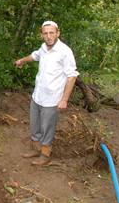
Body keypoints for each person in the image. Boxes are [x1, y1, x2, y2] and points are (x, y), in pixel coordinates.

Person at [14, 20, 79, 166]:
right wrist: (22, 61)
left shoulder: (65, 51)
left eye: (51, 33)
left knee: (47, 128)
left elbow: (72, 75)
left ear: (57, 33)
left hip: (52, 99)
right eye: (45, 33)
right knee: (35, 125)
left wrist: (64, 99)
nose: (49, 36)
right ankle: (36, 149)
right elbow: (34, 56)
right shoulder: (43, 48)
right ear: (42, 35)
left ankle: (45, 154)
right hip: (38, 96)